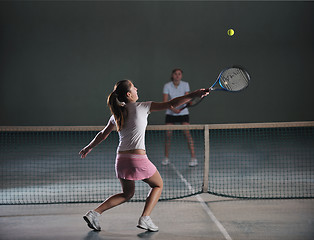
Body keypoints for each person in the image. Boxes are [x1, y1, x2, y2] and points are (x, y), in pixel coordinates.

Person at [79, 79, 208, 232]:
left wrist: (88, 147)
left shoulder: (116, 113)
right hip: (137, 159)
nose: (136, 88)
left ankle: (94, 213)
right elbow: (172, 104)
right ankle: (145, 218)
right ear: (129, 94)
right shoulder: (143, 106)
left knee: (127, 193)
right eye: (134, 87)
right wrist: (194, 94)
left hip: (121, 160)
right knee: (158, 185)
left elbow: (102, 135)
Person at [162, 68, 198, 167]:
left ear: (181, 76)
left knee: (187, 134)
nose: (177, 76)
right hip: (170, 113)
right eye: (175, 74)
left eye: (179, 74)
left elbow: (187, 99)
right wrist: (173, 109)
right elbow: (165, 101)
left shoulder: (185, 84)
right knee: (168, 135)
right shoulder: (167, 86)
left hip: (183, 113)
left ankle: (193, 158)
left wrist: (184, 105)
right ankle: (166, 158)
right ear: (172, 75)